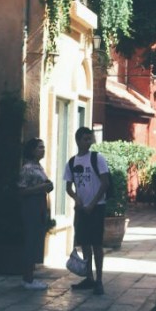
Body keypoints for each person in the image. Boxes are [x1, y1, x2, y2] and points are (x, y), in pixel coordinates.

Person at [64, 126, 110, 296]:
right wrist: (76, 199)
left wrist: (93, 203)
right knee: (84, 243)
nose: (88, 142)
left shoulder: (97, 159)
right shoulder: (72, 162)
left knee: (97, 243)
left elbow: (105, 183)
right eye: (85, 139)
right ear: (77, 140)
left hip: (97, 207)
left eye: (90, 139)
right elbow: (68, 187)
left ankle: (99, 280)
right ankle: (89, 277)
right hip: (82, 208)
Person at [17, 137, 53, 290]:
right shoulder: (27, 168)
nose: (43, 150)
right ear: (32, 150)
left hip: (40, 204)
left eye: (43, 147)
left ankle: (31, 276)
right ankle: (28, 278)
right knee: (30, 239)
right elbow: (22, 190)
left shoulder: (38, 166)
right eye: (40, 147)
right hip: (31, 205)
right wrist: (41, 188)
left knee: (36, 238)